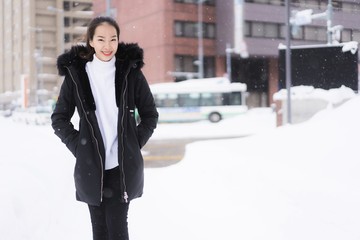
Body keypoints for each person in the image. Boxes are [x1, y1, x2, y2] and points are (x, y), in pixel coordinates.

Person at [51, 16, 158, 240]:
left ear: (118, 40)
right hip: (91, 167)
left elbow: (150, 115)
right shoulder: (77, 75)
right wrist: (80, 147)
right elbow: (59, 118)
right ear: (91, 41)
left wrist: (132, 143)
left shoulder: (131, 73)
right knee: (99, 231)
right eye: (101, 39)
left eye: (113, 39)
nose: (107, 46)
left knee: (117, 230)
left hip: (122, 167)